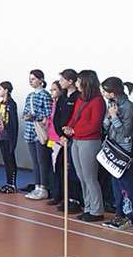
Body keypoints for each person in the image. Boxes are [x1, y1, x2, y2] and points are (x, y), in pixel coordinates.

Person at [63, 70, 106, 222]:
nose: (76, 83)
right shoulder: (81, 99)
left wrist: (75, 130)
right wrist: (68, 128)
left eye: (79, 81)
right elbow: (75, 117)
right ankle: (88, 207)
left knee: (90, 177)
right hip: (77, 140)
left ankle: (97, 209)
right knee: (81, 176)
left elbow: (95, 125)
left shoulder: (98, 101)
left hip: (90, 141)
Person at [101, 77, 133, 231]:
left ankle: (130, 217)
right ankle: (118, 214)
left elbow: (125, 132)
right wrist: (109, 117)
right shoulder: (111, 104)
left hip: (123, 150)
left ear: (113, 92)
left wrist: (115, 117)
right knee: (115, 183)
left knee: (125, 184)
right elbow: (105, 126)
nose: (104, 94)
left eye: (105, 91)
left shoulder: (128, 106)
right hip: (112, 147)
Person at [53, 69, 83, 214]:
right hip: (63, 138)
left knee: (73, 169)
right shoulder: (62, 97)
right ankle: (64, 197)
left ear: (70, 81)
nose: (60, 83)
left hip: (73, 137)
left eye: (62, 80)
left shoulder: (79, 97)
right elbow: (56, 118)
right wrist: (60, 135)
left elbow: (77, 118)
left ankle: (75, 199)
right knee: (61, 166)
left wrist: (70, 133)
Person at [22, 70, 53, 199]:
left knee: (42, 161)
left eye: (34, 79)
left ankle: (44, 188)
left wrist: (35, 116)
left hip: (40, 132)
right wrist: (26, 116)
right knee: (35, 161)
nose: (31, 81)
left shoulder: (45, 95)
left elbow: (48, 114)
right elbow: (25, 111)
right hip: (30, 131)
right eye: (30, 79)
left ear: (41, 80)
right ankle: (37, 186)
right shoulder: (29, 96)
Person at [0, 81, 19, 194]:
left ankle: (12, 184)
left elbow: (13, 122)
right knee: (6, 160)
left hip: (9, 136)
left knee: (10, 160)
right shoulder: (1, 104)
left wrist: (12, 138)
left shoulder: (11, 104)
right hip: (2, 135)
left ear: (6, 90)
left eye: (0, 89)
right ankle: (8, 182)